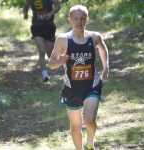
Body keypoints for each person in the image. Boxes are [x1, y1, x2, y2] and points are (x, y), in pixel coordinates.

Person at [47, 5, 109, 150]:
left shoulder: (94, 37)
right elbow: (50, 64)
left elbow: (103, 48)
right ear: (70, 20)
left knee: (89, 120)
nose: (79, 22)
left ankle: (90, 143)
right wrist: (60, 61)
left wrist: (106, 66)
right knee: (75, 126)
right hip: (72, 89)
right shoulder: (63, 40)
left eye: (82, 19)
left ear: (86, 19)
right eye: (76, 18)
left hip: (92, 85)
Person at [23, 0, 60, 81]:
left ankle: (63, 67)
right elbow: (26, 6)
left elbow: (58, 6)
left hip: (49, 27)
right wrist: (25, 14)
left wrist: (50, 14)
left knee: (50, 53)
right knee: (41, 50)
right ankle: (44, 74)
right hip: (37, 27)